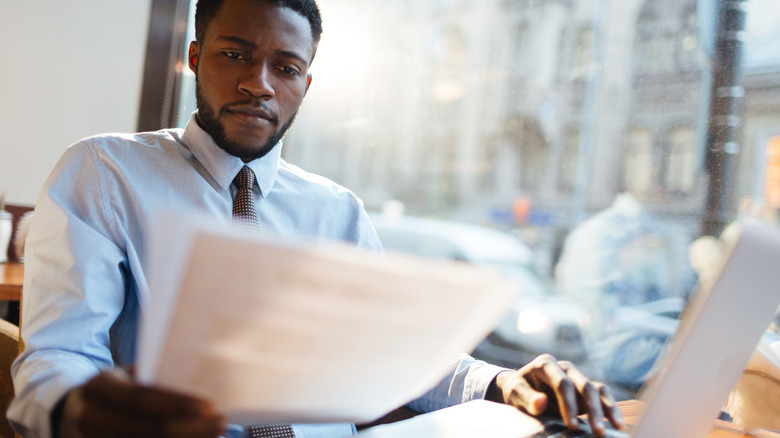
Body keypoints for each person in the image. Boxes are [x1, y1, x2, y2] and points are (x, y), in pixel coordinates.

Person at [8, 0, 626, 437]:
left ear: (307, 80)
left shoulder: (337, 211)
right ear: (194, 56)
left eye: (286, 66)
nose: (259, 84)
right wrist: (75, 411)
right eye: (235, 54)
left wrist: (504, 382)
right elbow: (57, 355)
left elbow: (396, 355)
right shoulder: (104, 170)